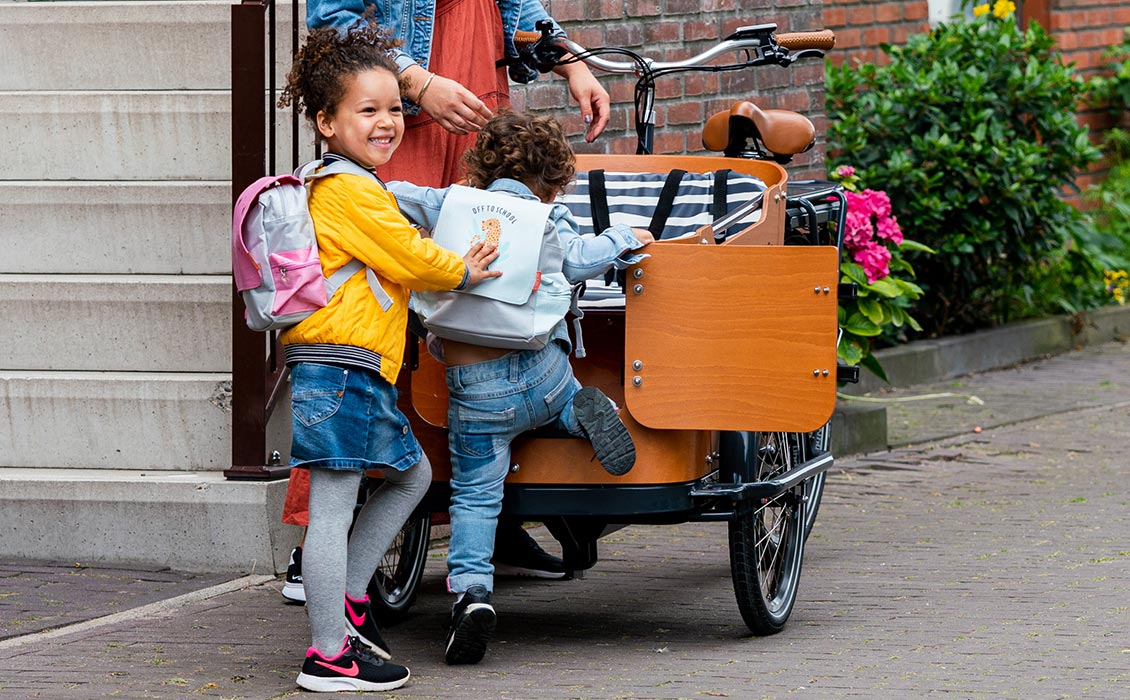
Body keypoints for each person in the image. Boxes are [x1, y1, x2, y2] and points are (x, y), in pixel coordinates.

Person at [280, 0, 607, 591]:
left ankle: (492, 518)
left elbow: (516, 7)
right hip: (412, 115)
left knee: (494, 317)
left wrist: (570, 57)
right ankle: (324, 548)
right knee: (405, 312)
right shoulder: (354, 166)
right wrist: (416, 82)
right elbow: (333, 17)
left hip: (476, 104)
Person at [277, 20, 501, 692]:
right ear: (326, 122)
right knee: (334, 507)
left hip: (358, 370)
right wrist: (465, 269)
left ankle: (345, 602)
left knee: (412, 477)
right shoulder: (347, 189)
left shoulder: (355, 185)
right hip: (337, 369)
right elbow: (410, 257)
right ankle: (328, 655)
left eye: (393, 109)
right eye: (366, 111)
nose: (387, 123)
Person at [389, 111, 655, 665]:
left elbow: (394, 195)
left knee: (476, 496)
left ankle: (471, 596)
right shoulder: (546, 216)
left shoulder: (450, 204)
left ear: (480, 166)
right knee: (558, 401)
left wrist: (341, 180)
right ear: (554, 180)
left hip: (475, 391)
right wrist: (626, 235)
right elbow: (583, 261)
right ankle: (583, 413)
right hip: (543, 374)